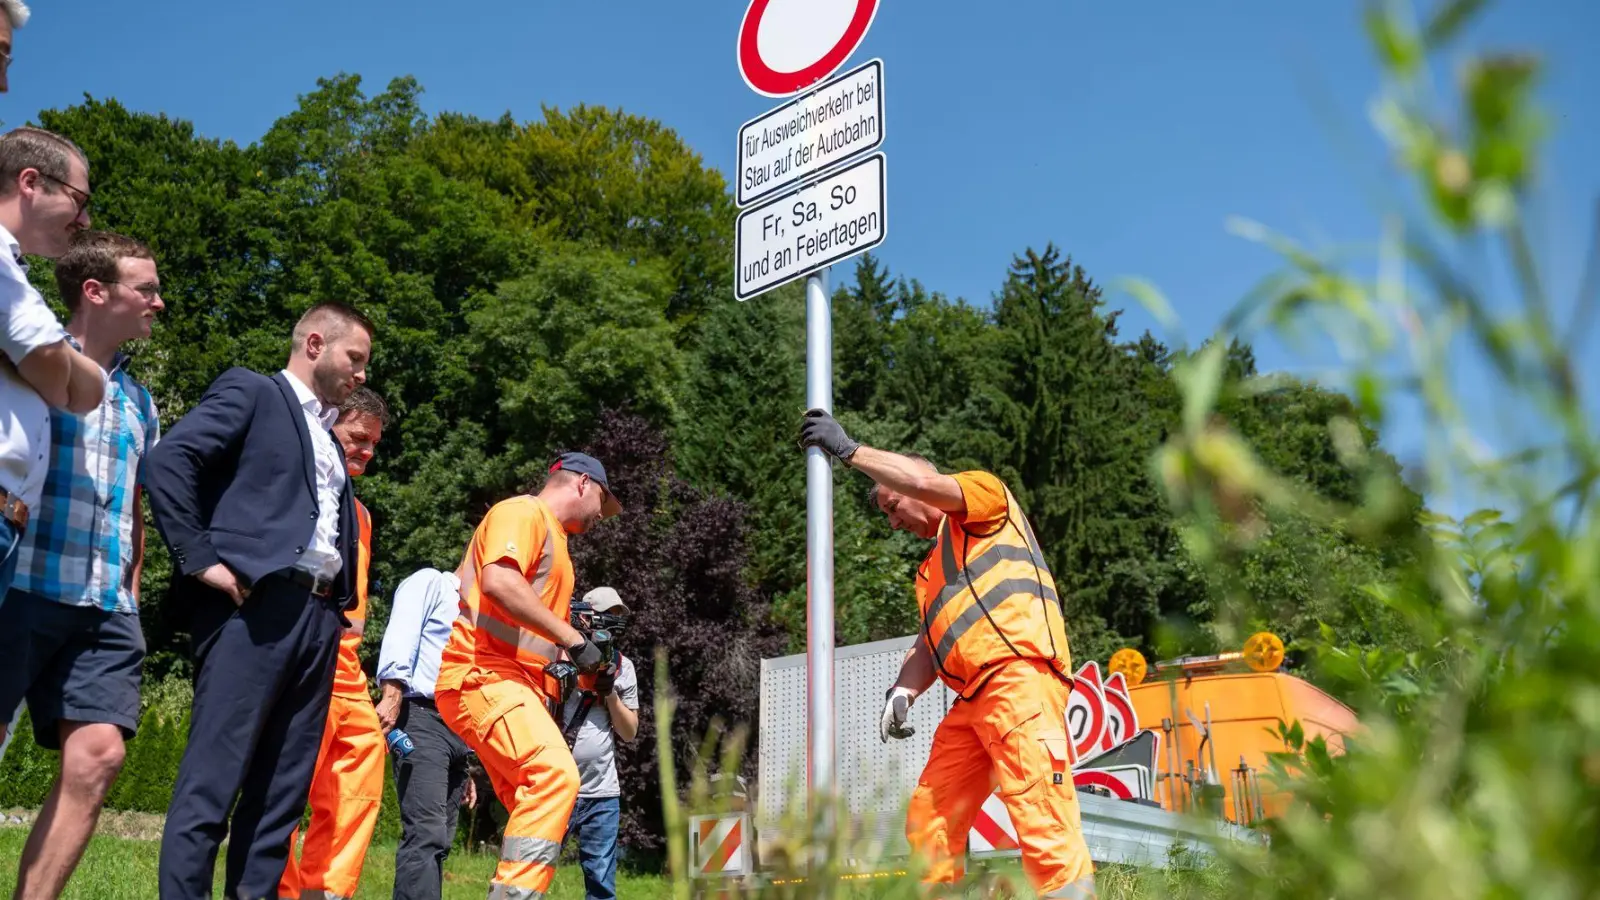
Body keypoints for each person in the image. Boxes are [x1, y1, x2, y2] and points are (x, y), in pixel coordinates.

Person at [798, 409, 1099, 900]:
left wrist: (850, 451)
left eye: (893, 506)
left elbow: (922, 481)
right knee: (930, 817)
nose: (894, 522)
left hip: (1018, 681)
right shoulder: (930, 573)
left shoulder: (984, 498)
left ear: (920, 483)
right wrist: (902, 690)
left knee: (1040, 812)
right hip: (973, 706)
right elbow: (929, 644)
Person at [145, 301, 373, 900]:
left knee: (279, 797)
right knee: (213, 785)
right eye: (357, 358)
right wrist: (201, 561)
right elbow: (169, 460)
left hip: (320, 620)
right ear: (316, 344)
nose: (362, 374)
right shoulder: (253, 392)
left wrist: (338, 614)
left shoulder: (328, 434)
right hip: (255, 609)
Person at [0, 230, 162, 898]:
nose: (159, 302)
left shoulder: (141, 403)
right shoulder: (27, 365)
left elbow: (134, 510)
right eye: (145, 289)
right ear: (96, 292)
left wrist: (131, 594)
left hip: (103, 608)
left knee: (99, 756)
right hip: (23, 585)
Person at [434, 452, 622, 900]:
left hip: (510, 684)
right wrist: (576, 642)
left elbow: (530, 628)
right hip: (483, 674)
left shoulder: (557, 546)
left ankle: (511, 890)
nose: (601, 514)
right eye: (602, 500)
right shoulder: (522, 512)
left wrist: (586, 669)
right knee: (555, 775)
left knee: (536, 800)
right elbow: (499, 581)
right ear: (581, 483)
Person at [278, 386, 390, 900]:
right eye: (357, 437)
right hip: (305, 655)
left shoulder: (364, 515)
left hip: (349, 670)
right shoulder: (304, 492)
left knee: (359, 783)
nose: (366, 450)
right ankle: (276, 887)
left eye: (373, 443)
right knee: (289, 782)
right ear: (329, 428)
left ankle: (326, 891)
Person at [0, 126, 104, 602]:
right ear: (30, 181)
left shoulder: (15, 275)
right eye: (78, 199)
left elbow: (89, 389)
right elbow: (47, 360)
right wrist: (51, 362)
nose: (84, 220)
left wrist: (45, 359)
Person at [375, 565, 479, 900]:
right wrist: (391, 694)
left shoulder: (477, 612)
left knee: (442, 839)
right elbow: (402, 632)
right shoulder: (431, 582)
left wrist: (467, 758)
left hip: (456, 729)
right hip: (419, 716)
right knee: (425, 833)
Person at [559, 586, 639, 900]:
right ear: (586, 616)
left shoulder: (623, 667)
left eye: (619, 618)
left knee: (601, 883)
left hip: (602, 793)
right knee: (533, 868)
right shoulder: (557, 655)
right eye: (608, 616)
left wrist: (609, 693)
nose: (613, 624)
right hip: (557, 786)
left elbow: (630, 731)